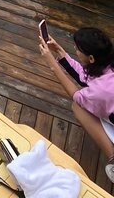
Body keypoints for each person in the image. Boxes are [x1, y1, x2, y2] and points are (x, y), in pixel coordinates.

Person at [39, 24, 114, 181]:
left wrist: (52, 64)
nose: (75, 50)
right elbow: (85, 78)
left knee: (78, 108)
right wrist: (59, 51)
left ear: (91, 58)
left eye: (78, 49)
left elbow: (77, 95)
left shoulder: (101, 91)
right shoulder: (107, 65)